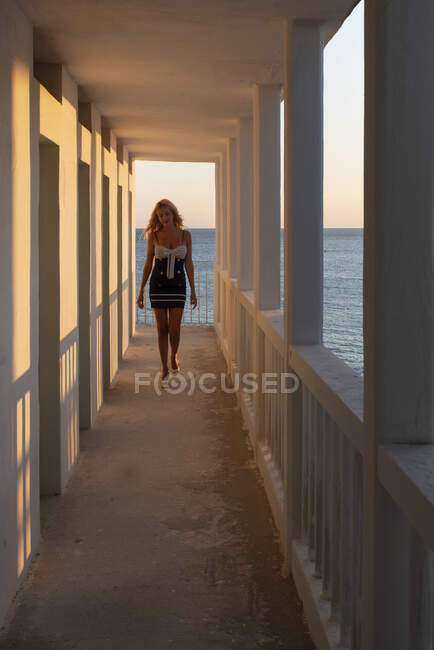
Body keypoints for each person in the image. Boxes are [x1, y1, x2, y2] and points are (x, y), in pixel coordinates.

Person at [137, 199, 197, 387]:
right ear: (158, 217)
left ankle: (174, 355)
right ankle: (164, 368)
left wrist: (194, 290)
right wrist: (141, 289)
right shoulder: (154, 236)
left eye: (167, 214)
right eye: (160, 215)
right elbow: (148, 263)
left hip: (178, 285)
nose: (164, 218)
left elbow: (189, 263)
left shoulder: (185, 235)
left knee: (175, 329)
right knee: (162, 329)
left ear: (173, 213)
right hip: (158, 285)